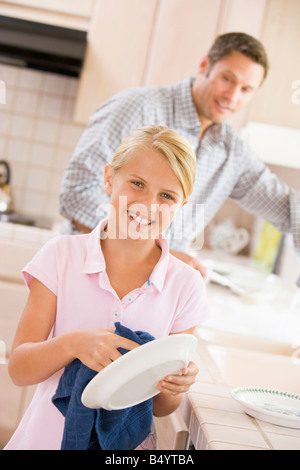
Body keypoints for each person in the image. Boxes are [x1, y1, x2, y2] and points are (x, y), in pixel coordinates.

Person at [5, 126, 209, 450]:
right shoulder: (61, 256)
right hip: (45, 439)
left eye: (166, 196)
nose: (147, 204)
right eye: (137, 184)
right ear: (109, 179)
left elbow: (160, 406)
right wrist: (74, 343)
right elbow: (19, 369)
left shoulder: (186, 285)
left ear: (182, 205)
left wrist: (176, 386)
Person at [59, 32, 300, 274]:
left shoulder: (231, 152)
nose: (233, 96)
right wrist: (157, 256)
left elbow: (288, 209)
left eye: (246, 89)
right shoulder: (138, 108)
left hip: (154, 295)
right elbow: (77, 194)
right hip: (88, 274)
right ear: (205, 65)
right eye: (227, 79)